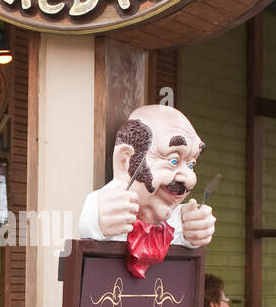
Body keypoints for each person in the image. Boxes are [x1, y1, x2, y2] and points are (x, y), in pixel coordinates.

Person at [79, 104, 215, 276]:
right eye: (173, 160)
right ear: (125, 161)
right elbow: (90, 222)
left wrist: (193, 228)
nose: (190, 179)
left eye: (191, 164)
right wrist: (96, 217)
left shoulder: (174, 222)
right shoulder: (103, 208)